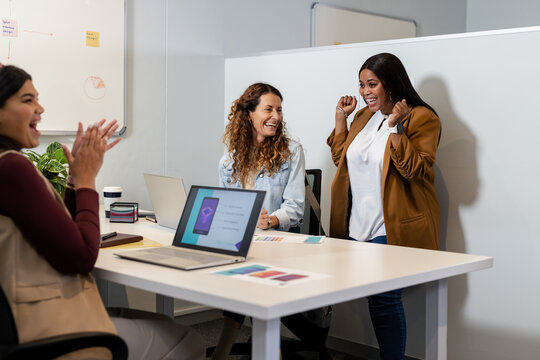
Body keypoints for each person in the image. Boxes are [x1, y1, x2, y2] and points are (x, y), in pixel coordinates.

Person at [0, 64, 204, 360]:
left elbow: (55, 232)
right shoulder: (13, 168)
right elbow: (81, 256)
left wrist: (73, 181)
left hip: (23, 320)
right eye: (27, 100)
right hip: (42, 329)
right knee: (188, 340)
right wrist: (86, 181)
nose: (40, 108)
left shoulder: (8, 165)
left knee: (163, 323)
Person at [327, 53, 441, 360]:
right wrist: (342, 119)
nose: (365, 92)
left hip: (391, 225)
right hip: (356, 226)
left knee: (384, 299)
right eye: (362, 85)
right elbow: (343, 161)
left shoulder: (422, 118)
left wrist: (394, 128)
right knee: (358, 295)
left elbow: (414, 169)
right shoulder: (363, 116)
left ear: (390, 83)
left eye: (372, 84)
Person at [212, 83, 329, 359]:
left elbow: (296, 208)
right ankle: (265, 346)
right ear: (249, 114)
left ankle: (229, 350)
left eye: (279, 109)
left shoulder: (291, 152)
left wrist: (272, 220)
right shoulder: (228, 161)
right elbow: (228, 208)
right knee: (237, 267)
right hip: (244, 243)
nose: (275, 116)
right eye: (268, 109)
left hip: (280, 245)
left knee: (250, 273)